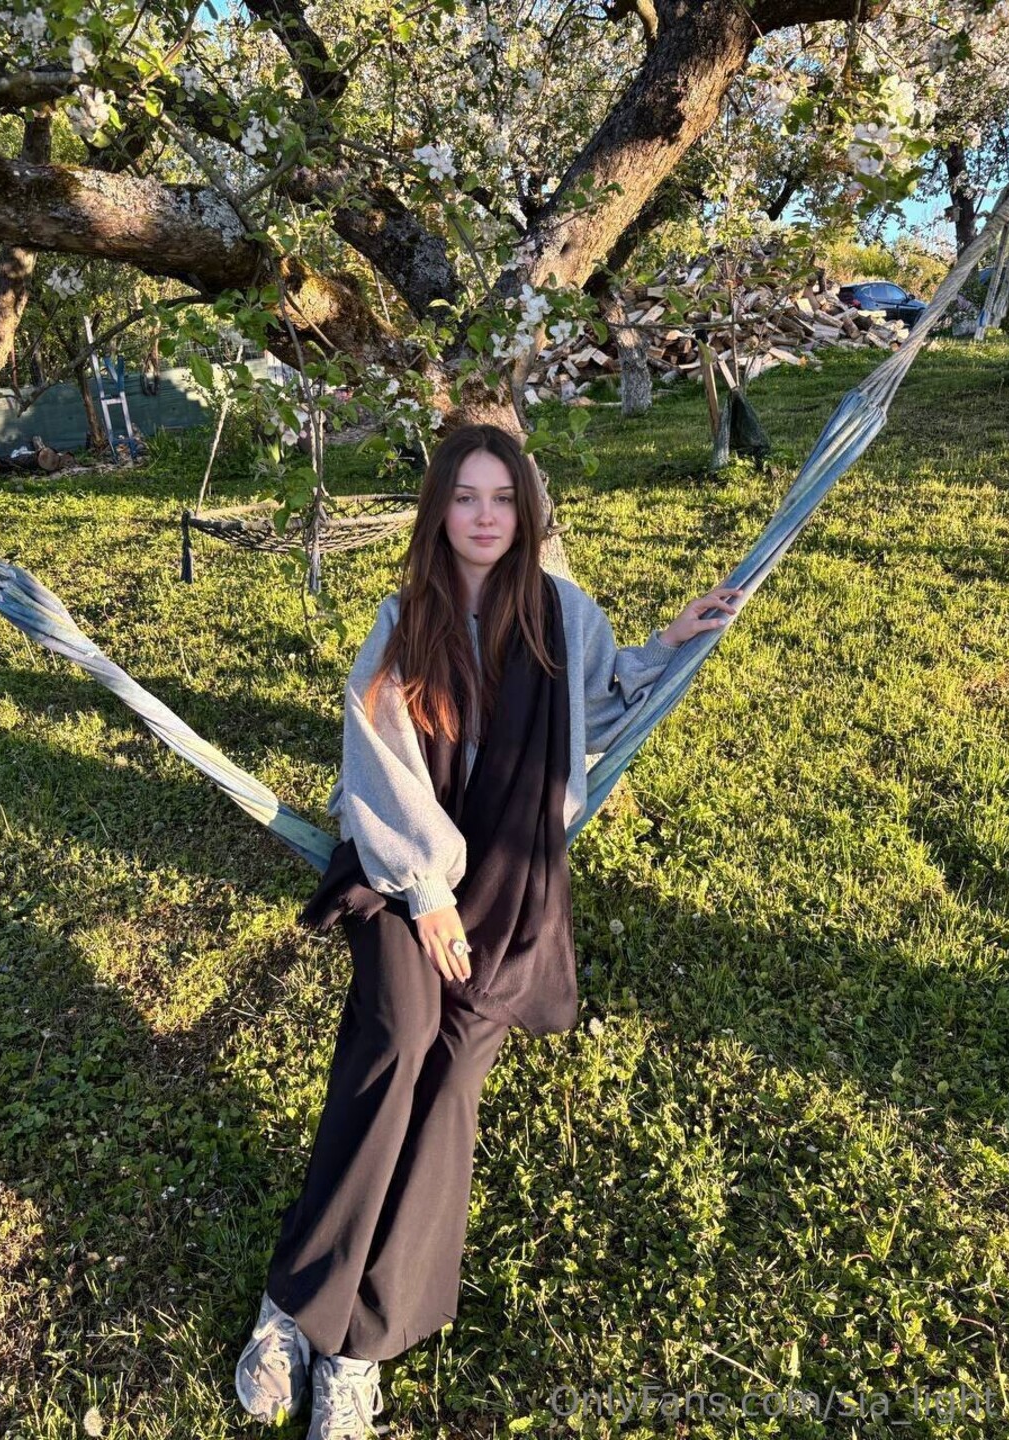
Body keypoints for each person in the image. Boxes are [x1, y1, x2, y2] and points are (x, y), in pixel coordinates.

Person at [235, 423, 742, 1437]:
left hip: (507, 890)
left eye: (502, 499)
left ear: (526, 513)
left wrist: (667, 646)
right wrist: (426, 892)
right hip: (398, 874)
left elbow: (597, 709)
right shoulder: (404, 620)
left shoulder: (563, 613)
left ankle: (362, 1345)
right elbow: (377, 758)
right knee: (399, 1036)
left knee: (455, 1074)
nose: (483, 516)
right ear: (439, 512)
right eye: (465, 497)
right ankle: (294, 1303)